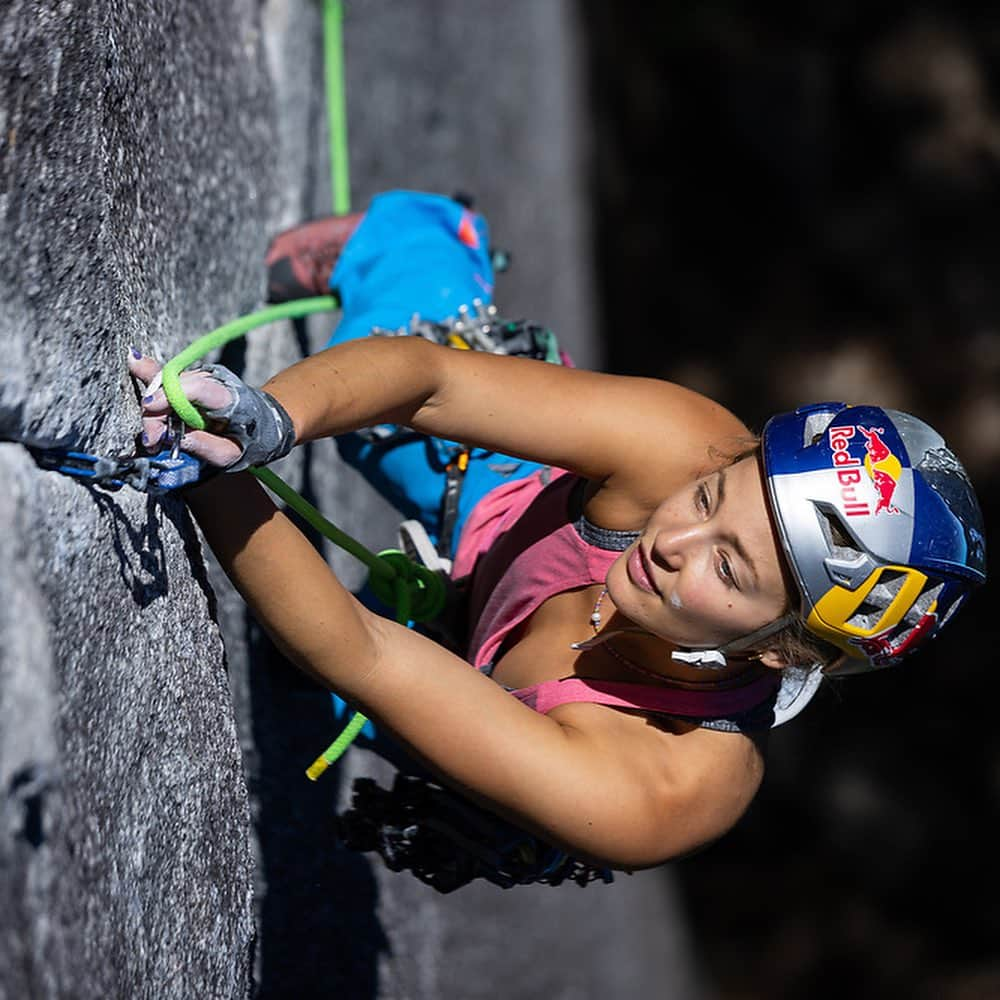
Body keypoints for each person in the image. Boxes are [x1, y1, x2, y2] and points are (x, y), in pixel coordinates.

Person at [129, 191, 986, 887]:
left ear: (781, 651)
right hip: (505, 507)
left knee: (321, 681)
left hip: (512, 718)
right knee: (380, 361)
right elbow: (428, 385)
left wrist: (211, 474)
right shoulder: (683, 445)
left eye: (728, 566)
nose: (675, 539)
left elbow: (364, 656)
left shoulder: (662, 786)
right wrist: (272, 420)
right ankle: (427, 235)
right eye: (711, 494)